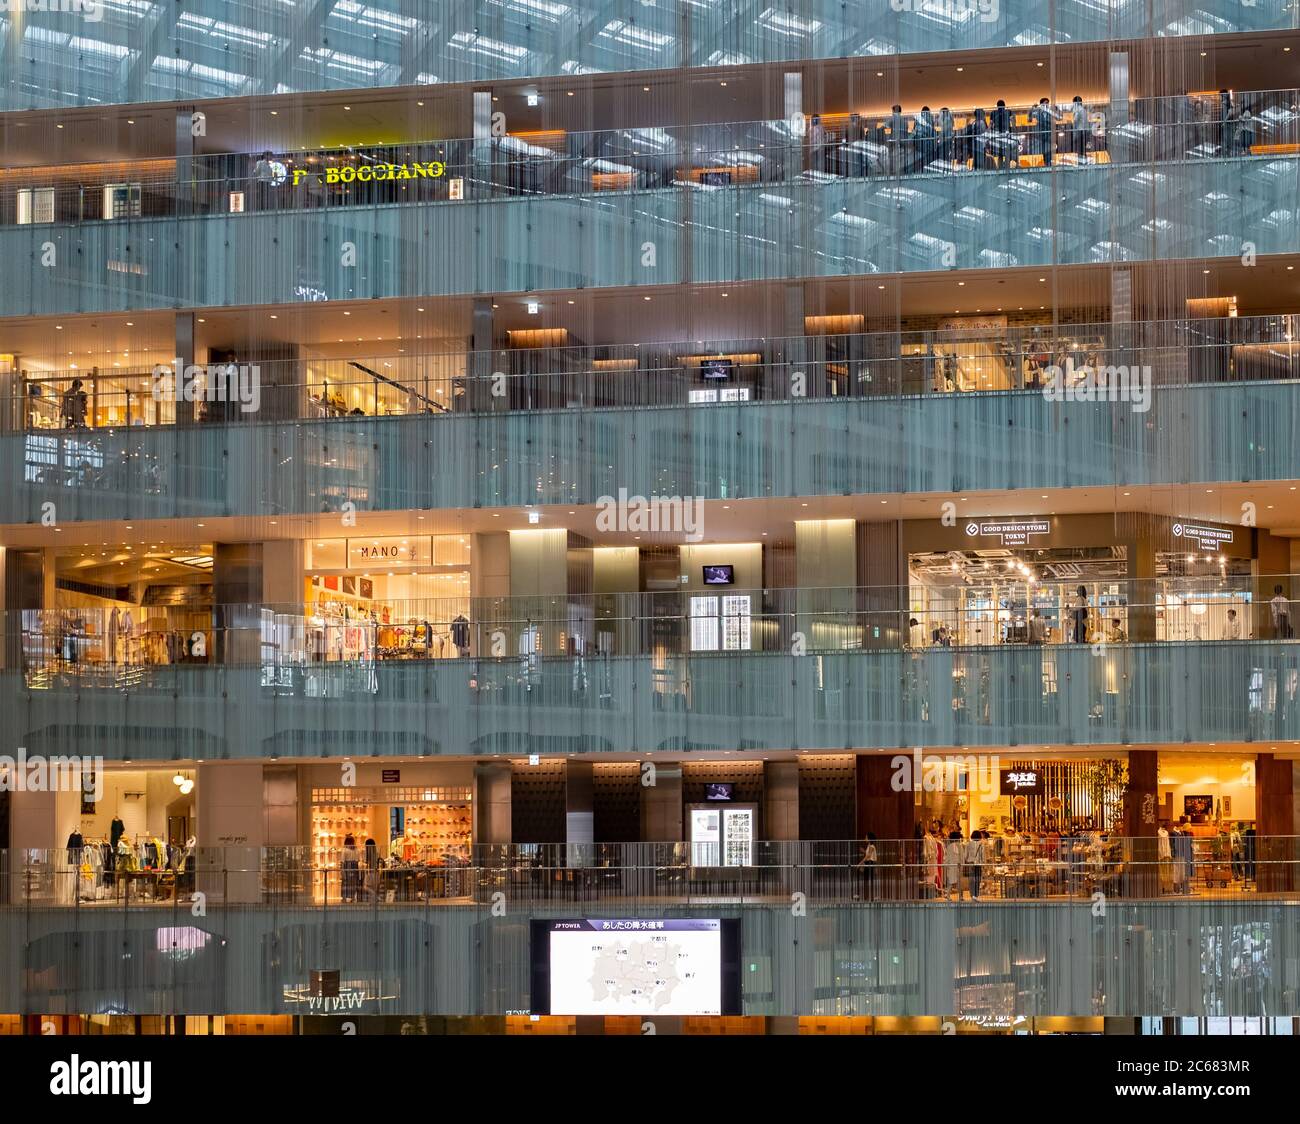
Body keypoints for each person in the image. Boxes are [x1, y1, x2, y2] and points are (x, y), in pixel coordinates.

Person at [1032, 97, 1055, 165]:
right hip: (1041, 134)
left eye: (1048, 103)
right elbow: (1032, 116)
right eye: (1045, 103)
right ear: (1041, 104)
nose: (1047, 105)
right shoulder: (1038, 112)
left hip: (1049, 133)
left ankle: (1049, 162)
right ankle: (1046, 162)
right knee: (1044, 149)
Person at [855, 833, 878, 900]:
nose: (865, 839)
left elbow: (868, 856)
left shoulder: (871, 846)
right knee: (866, 879)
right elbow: (868, 854)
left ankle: (868, 896)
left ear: (869, 839)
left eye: (866, 837)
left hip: (870, 863)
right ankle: (867, 896)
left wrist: (860, 863)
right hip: (868, 863)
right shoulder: (869, 846)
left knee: (867, 880)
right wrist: (864, 851)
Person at [943, 830, 964, 901]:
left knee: (951, 882)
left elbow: (947, 857)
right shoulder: (960, 846)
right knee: (959, 882)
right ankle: (960, 897)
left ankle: (948, 895)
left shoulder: (949, 846)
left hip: (951, 866)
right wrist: (962, 865)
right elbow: (962, 857)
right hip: (958, 866)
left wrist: (945, 864)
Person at [965, 830, 985, 900]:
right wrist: (983, 863)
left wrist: (966, 860)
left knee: (971, 879)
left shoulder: (968, 844)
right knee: (978, 879)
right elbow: (983, 855)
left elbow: (965, 854)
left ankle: (972, 894)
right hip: (978, 863)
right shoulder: (981, 844)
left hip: (971, 863)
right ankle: (976, 895)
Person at [340, 834, 361, 902]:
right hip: (355, 866)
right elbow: (358, 860)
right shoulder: (356, 849)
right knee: (353, 882)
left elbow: (342, 861)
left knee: (346, 882)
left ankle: (345, 897)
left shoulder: (344, 850)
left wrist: (342, 871)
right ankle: (352, 896)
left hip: (347, 866)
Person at [1070, 95, 1088, 161]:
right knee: (1083, 148)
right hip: (1084, 130)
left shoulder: (1078, 109)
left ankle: (1081, 162)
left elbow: (1075, 120)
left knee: (1080, 148)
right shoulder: (1084, 110)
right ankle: (1084, 160)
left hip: (1079, 131)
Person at [363, 838, 380, 902]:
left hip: (370, 872)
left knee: (366, 887)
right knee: (374, 888)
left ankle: (375, 896)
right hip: (376, 872)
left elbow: (368, 864)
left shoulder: (368, 854)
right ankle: (374, 900)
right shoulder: (376, 852)